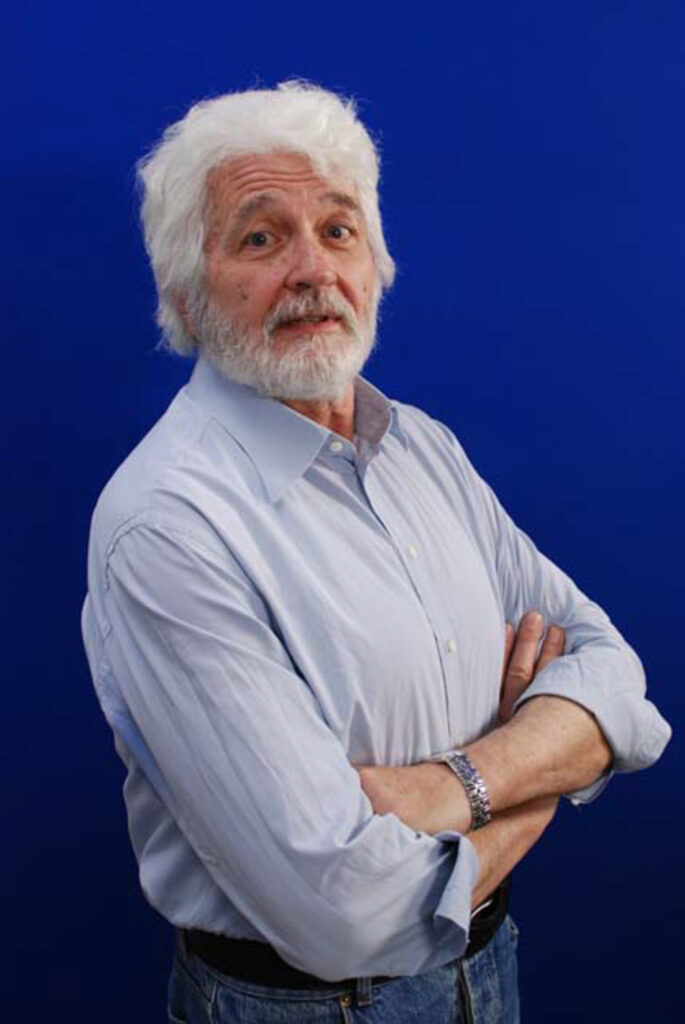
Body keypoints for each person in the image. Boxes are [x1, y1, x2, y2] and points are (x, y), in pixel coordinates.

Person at [81, 80, 671, 1024]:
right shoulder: (167, 527)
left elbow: (615, 671)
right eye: (261, 238)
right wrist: (548, 770)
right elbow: (345, 914)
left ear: (375, 265)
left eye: (339, 230)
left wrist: (447, 789)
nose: (312, 269)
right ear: (186, 293)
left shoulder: (422, 449)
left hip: (490, 968)